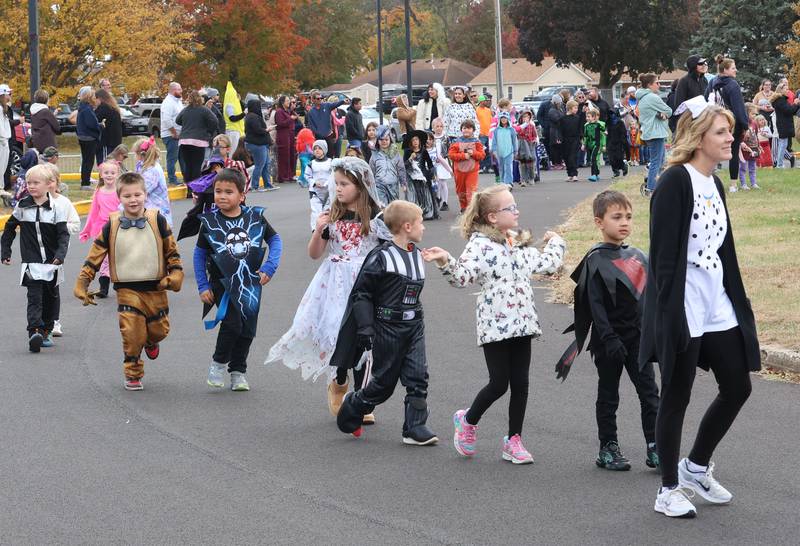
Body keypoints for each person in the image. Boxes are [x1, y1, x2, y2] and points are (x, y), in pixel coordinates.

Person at [641, 97, 760, 518]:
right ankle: (668, 488)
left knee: (738, 385)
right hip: (684, 301)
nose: (732, 137)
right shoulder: (675, 181)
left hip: (717, 298)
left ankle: (695, 467)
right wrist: (668, 318)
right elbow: (663, 259)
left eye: (730, 130)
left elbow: (723, 249)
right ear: (698, 138)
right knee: (678, 392)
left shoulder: (716, 183)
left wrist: (737, 300)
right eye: (722, 132)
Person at [421, 185, 565, 463]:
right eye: (510, 208)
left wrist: (556, 241)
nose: (516, 210)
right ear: (492, 218)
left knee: (521, 383)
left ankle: (514, 440)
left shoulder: (518, 242)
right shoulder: (479, 246)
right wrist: (444, 261)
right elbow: (461, 278)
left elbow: (547, 264)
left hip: (523, 322)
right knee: (499, 383)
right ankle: (468, 420)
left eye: (515, 205)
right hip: (495, 325)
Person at [267, 157, 390, 422]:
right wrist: (318, 230)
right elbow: (314, 254)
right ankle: (339, 380)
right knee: (337, 332)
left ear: (361, 184)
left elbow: (388, 251)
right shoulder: (331, 214)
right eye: (337, 184)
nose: (339, 189)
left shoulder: (377, 215)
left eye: (344, 184)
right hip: (334, 283)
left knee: (366, 337)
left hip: (366, 284)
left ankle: (361, 398)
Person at [560, 190, 659, 470]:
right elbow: (595, 305)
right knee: (609, 394)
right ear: (599, 222)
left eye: (628, 217)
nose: (624, 222)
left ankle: (655, 445)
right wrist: (609, 337)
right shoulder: (595, 259)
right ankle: (608, 447)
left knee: (650, 393)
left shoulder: (638, 255)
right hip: (609, 341)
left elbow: (648, 298)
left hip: (638, 339)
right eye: (616, 217)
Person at [332, 201, 438, 446]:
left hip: (414, 325)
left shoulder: (417, 254)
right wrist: (365, 326)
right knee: (383, 384)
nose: (424, 228)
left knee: (418, 377)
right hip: (387, 326)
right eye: (421, 223)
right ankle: (354, 405)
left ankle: (415, 427)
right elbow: (362, 294)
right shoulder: (381, 256)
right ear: (407, 226)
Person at [74, 172, 182, 390]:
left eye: (137, 194)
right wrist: (83, 281)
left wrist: (176, 273)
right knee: (132, 333)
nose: (133, 200)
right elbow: (96, 254)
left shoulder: (157, 220)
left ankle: (151, 342)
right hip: (126, 289)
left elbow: (172, 251)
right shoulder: (111, 225)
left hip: (156, 288)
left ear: (145, 194)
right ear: (119, 198)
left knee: (159, 331)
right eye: (127, 196)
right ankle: (133, 373)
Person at [195, 169, 282, 392]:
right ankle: (218, 363)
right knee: (232, 324)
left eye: (228, 192)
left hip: (249, 283)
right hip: (221, 283)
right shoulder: (210, 222)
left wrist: (269, 267)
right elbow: (199, 254)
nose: (222, 196)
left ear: (242, 195)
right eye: (218, 191)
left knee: (247, 329)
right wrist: (203, 285)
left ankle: (238, 371)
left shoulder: (255, 217)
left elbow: (275, 240)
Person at [2, 164, 70, 352]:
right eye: (29, 183)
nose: (31, 186)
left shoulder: (57, 209)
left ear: (49, 185)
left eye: (36, 183)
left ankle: (47, 329)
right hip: (31, 263)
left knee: (50, 298)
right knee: (34, 298)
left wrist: (60, 255)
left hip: (52, 263)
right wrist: (5, 251)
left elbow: (63, 235)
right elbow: (9, 229)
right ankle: (34, 332)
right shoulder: (22, 207)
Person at [706, 55, 749, 192]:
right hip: (731, 122)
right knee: (734, 152)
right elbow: (739, 107)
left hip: (714, 121)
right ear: (725, 70)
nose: (736, 71)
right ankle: (733, 184)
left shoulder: (712, 82)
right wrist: (745, 125)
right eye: (733, 68)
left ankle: (708, 180)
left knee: (711, 152)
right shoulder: (732, 84)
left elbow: (706, 99)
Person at [79, 161, 122, 298]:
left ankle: (119, 281)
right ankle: (104, 287)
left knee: (118, 256)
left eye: (112, 173)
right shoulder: (99, 192)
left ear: (117, 174)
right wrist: (87, 230)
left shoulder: (120, 191)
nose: (109, 175)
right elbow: (93, 212)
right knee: (104, 258)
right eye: (106, 173)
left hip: (119, 227)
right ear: (101, 175)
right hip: (102, 229)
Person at [175, 90, 219, 192]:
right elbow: (215, 121)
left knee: (188, 166)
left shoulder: (185, 110)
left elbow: (177, 120)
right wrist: (209, 131)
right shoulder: (204, 110)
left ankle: (189, 189)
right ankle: (195, 189)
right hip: (199, 141)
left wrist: (187, 124)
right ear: (200, 99)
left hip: (184, 141)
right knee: (196, 166)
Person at [636, 73, 672, 193]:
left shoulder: (642, 96)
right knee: (657, 162)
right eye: (657, 82)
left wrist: (660, 114)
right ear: (650, 85)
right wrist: (662, 114)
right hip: (655, 133)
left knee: (660, 161)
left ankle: (655, 183)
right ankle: (650, 188)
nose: (659, 85)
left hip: (650, 131)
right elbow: (669, 111)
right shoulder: (652, 97)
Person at [132, 136, 172, 225]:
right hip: (149, 208)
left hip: (155, 211)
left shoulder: (152, 170)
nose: (134, 156)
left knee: (155, 236)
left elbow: (143, 189)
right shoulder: (144, 165)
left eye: (135, 153)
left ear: (142, 154)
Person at [448, 120, 485, 213]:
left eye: (469, 128)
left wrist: (473, 153)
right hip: (459, 171)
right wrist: (463, 156)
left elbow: (482, 155)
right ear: (461, 129)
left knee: (471, 191)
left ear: (473, 130)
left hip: (472, 171)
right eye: (464, 128)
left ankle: (471, 209)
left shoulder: (477, 142)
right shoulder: (456, 142)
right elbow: (451, 155)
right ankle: (463, 207)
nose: (466, 130)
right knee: (461, 191)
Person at [670, 55, 709, 132]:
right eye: (700, 64)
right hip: (690, 123)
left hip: (703, 120)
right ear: (693, 66)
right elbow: (679, 104)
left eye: (705, 63)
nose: (704, 65)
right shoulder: (684, 81)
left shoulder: (704, 80)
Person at [402, 130, 435, 219]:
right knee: (414, 195)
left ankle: (426, 212)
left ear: (419, 141)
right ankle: (415, 213)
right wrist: (410, 159)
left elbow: (430, 163)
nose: (415, 142)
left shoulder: (424, 151)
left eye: (416, 140)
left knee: (424, 194)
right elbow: (404, 165)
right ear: (411, 142)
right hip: (411, 177)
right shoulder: (407, 152)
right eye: (413, 140)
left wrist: (433, 174)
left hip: (423, 176)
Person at [305, 90, 347, 159]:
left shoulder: (327, 106)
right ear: (313, 100)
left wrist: (343, 101)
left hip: (328, 136)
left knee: (330, 156)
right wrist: (319, 133)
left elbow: (335, 104)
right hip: (318, 138)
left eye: (321, 98)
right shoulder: (311, 112)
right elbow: (311, 126)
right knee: (320, 156)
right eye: (318, 98)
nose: (320, 100)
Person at [369, 125, 405, 206]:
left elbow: (401, 168)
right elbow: (371, 170)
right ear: (378, 141)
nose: (384, 141)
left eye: (386, 139)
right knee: (383, 206)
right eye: (381, 140)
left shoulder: (396, 154)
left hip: (393, 185)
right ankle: (383, 218)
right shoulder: (374, 155)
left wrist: (403, 182)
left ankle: (392, 218)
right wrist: (371, 183)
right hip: (379, 185)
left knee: (393, 207)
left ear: (390, 140)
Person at [76, 86, 102, 190]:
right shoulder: (87, 109)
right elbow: (91, 124)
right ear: (89, 96)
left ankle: (85, 182)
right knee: (88, 161)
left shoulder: (82, 108)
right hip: (89, 137)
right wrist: (100, 126)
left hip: (83, 137)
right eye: (93, 95)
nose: (95, 97)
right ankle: (85, 183)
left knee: (86, 160)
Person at [305, 140, 334, 231]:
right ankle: (315, 229)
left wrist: (328, 183)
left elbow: (334, 175)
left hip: (328, 191)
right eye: (315, 149)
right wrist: (314, 182)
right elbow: (307, 175)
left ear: (325, 150)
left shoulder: (331, 162)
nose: (317, 150)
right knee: (315, 211)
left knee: (327, 211)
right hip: (315, 192)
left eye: (320, 148)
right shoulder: (311, 164)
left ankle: (326, 229)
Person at [160, 82, 185, 185]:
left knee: (182, 158)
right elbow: (166, 120)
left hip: (179, 135)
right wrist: (174, 132)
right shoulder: (168, 102)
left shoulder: (177, 101)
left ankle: (186, 177)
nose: (181, 91)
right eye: (179, 89)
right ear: (173, 90)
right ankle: (172, 179)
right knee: (172, 158)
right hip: (171, 135)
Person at [770, 82, 800, 169]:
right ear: (781, 90)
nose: (788, 91)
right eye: (786, 89)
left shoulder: (781, 99)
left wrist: (796, 105)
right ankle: (779, 164)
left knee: (783, 144)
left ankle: (779, 163)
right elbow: (789, 110)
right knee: (782, 145)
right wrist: (795, 103)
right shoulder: (780, 100)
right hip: (783, 125)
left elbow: (791, 111)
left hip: (784, 124)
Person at [94, 89, 123, 165]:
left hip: (107, 143)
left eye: (95, 99)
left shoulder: (103, 108)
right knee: (113, 165)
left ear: (99, 98)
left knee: (105, 165)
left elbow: (94, 119)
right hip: (115, 142)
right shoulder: (113, 108)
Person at [274, 96, 298, 183]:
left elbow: (295, 116)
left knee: (291, 155)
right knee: (284, 156)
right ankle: (282, 176)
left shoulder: (287, 111)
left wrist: (292, 110)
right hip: (283, 136)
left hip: (290, 135)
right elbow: (280, 124)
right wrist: (290, 119)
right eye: (287, 101)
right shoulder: (279, 112)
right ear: (282, 102)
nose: (289, 102)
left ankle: (290, 175)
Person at [490, 112, 517, 187]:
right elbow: (494, 141)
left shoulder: (511, 130)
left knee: (508, 167)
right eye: (502, 118)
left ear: (508, 119)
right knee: (501, 167)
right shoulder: (496, 130)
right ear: (499, 119)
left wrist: (515, 151)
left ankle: (509, 182)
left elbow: (514, 141)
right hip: (499, 151)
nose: (503, 119)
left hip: (509, 151)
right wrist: (494, 150)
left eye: (505, 118)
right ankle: (502, 182)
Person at [430, 118, 452, 211]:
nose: (439, 128)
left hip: (443, 162)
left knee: (443, 182)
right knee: (436, 181)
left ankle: (445, 202)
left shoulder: (445, 138)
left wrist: (446, 158)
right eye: (437, 126)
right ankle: (438, 197)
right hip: (434, 162)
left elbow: (449, 149)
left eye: (441, 126)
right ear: (433, 128)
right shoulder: (431, 138)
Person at [29, 89, 60, 153]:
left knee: (40, 161)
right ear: (46, 99)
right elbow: (57, 127)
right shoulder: (46, 111)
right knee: (49, 162)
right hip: (47, 144)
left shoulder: (33, 111)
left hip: (37, 142)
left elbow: (42, 122)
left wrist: (53, 114)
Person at [515, 109, 539, 186]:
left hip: (530, 145)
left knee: (531, 162)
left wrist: (535, 140)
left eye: (528, 117)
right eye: (524, 117)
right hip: (521, 145)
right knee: (522, 163)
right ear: (521, 118)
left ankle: (531, 178)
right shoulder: (518, 126)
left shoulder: (532, 126)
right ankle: (523, 180)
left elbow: (535, 135)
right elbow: (517, 135)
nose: (526, 118)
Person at [561, 100, 582, 182]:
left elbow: (580, 129)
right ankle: (570, 174)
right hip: (565, 140)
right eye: (575, 108)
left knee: (572, 157)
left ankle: (574, 174)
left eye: (577, 108)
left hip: (575, 139)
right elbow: (561, 130)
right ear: (569, 108)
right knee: (566, 157)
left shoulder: (577, 118)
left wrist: (581, 138)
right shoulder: (563, 119)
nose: (576, 109)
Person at [583, 108, 607, 182]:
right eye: (587, 117)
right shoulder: (586, 125)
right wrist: (584, 144)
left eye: (589, 116)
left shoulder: (599, 124)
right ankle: (596, 174)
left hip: (597, 144)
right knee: (593, 160)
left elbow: (603, 134)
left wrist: (604, 145)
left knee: (594, 158)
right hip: (590, 144)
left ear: (594, 117)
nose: (587, 118)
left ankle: (593, 174)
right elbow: (585, 136)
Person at [223, 81, 246, 152]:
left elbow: (242, 108)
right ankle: (232, 163)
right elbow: (232, 118)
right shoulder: (229, 106)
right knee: (233, 151)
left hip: (235, 130)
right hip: (232, 131)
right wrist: (244, 114)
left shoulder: (233, 104)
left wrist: (240, 100)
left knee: (236, 151)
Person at [607, 106, 629, 178]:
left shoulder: (620, 123)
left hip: (619, 143)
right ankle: (615, 171)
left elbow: (623, 133)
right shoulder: (609, 122)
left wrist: (623, 143)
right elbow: (608, 133)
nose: (612, 115)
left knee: (619, 157)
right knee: (611, 158)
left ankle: (623, 167)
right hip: (611, 142)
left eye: (613, 113)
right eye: (610, 114)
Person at [475, 95, 494, 173]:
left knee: (489, 151)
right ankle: (481, 167)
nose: (487, 102)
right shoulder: (476, 110)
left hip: (489, 134)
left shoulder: (488, 110)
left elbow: (491, 120)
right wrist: (477, 133)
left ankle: (488, 167)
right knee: (481, 151)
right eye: (485, 100)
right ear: (481, 101)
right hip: (481, 134)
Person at [547, 94, 565, 169]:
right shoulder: (552, 110)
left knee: (560, 147)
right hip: (555, 131)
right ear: (555, 103)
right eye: (559, 103)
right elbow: (557, 120)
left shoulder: (559, 109)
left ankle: (559, 162)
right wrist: (564, 117)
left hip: (559, 130)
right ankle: (556, 163)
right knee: (555, 147)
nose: (560, 104)